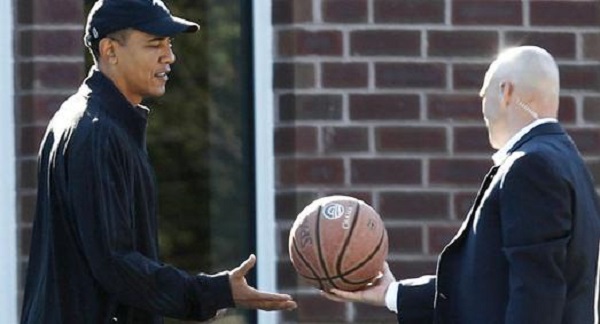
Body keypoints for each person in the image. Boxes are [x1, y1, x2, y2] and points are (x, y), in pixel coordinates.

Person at [20, 0, 296, 323]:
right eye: (155, 45)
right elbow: (115, 264)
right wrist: (211, 292)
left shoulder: (86, 120)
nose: (169, 56)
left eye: (169, 43)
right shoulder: (98, 132)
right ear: (110, 50)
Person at [323, 46, 600, 323]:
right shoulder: (568, 162)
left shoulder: (530, 166)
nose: (482, 105)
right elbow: (488, 291)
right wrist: (392, 294)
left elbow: (536, 294)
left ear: (505, 92)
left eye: (484, 93)